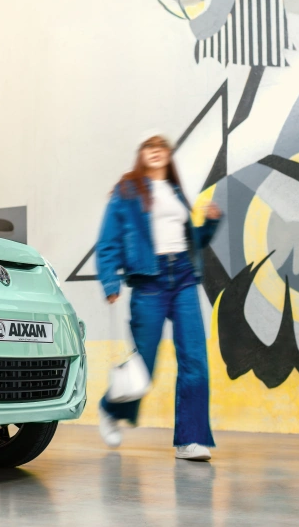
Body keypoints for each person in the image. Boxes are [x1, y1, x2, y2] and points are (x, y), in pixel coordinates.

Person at [95, 134, 222, 461]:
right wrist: (110, 281)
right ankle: (110, 408)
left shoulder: (175, 191)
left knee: (194, 358)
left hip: (183, 277)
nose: (156, 151)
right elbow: (107, 242)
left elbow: (191, 241)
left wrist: (209, 224)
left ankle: (190, 440)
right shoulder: (127, 191)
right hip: (149, 280)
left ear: (168, 155)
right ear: (141, 154)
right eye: (149, 147)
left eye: (161, 147)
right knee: (144, 366)